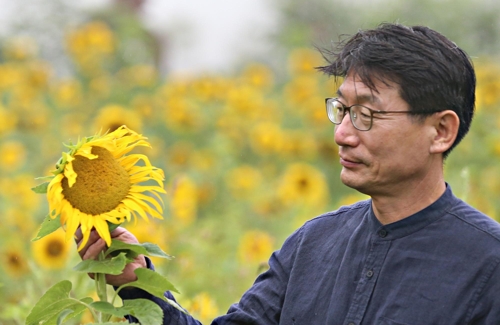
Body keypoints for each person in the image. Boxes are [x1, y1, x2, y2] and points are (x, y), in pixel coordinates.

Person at [78, 23, 500, 324]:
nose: (342, 134)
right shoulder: (312, 244)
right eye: (342, 110)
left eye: (367, 114)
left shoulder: (488, 263)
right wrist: (138, 284)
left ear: (440, 131)